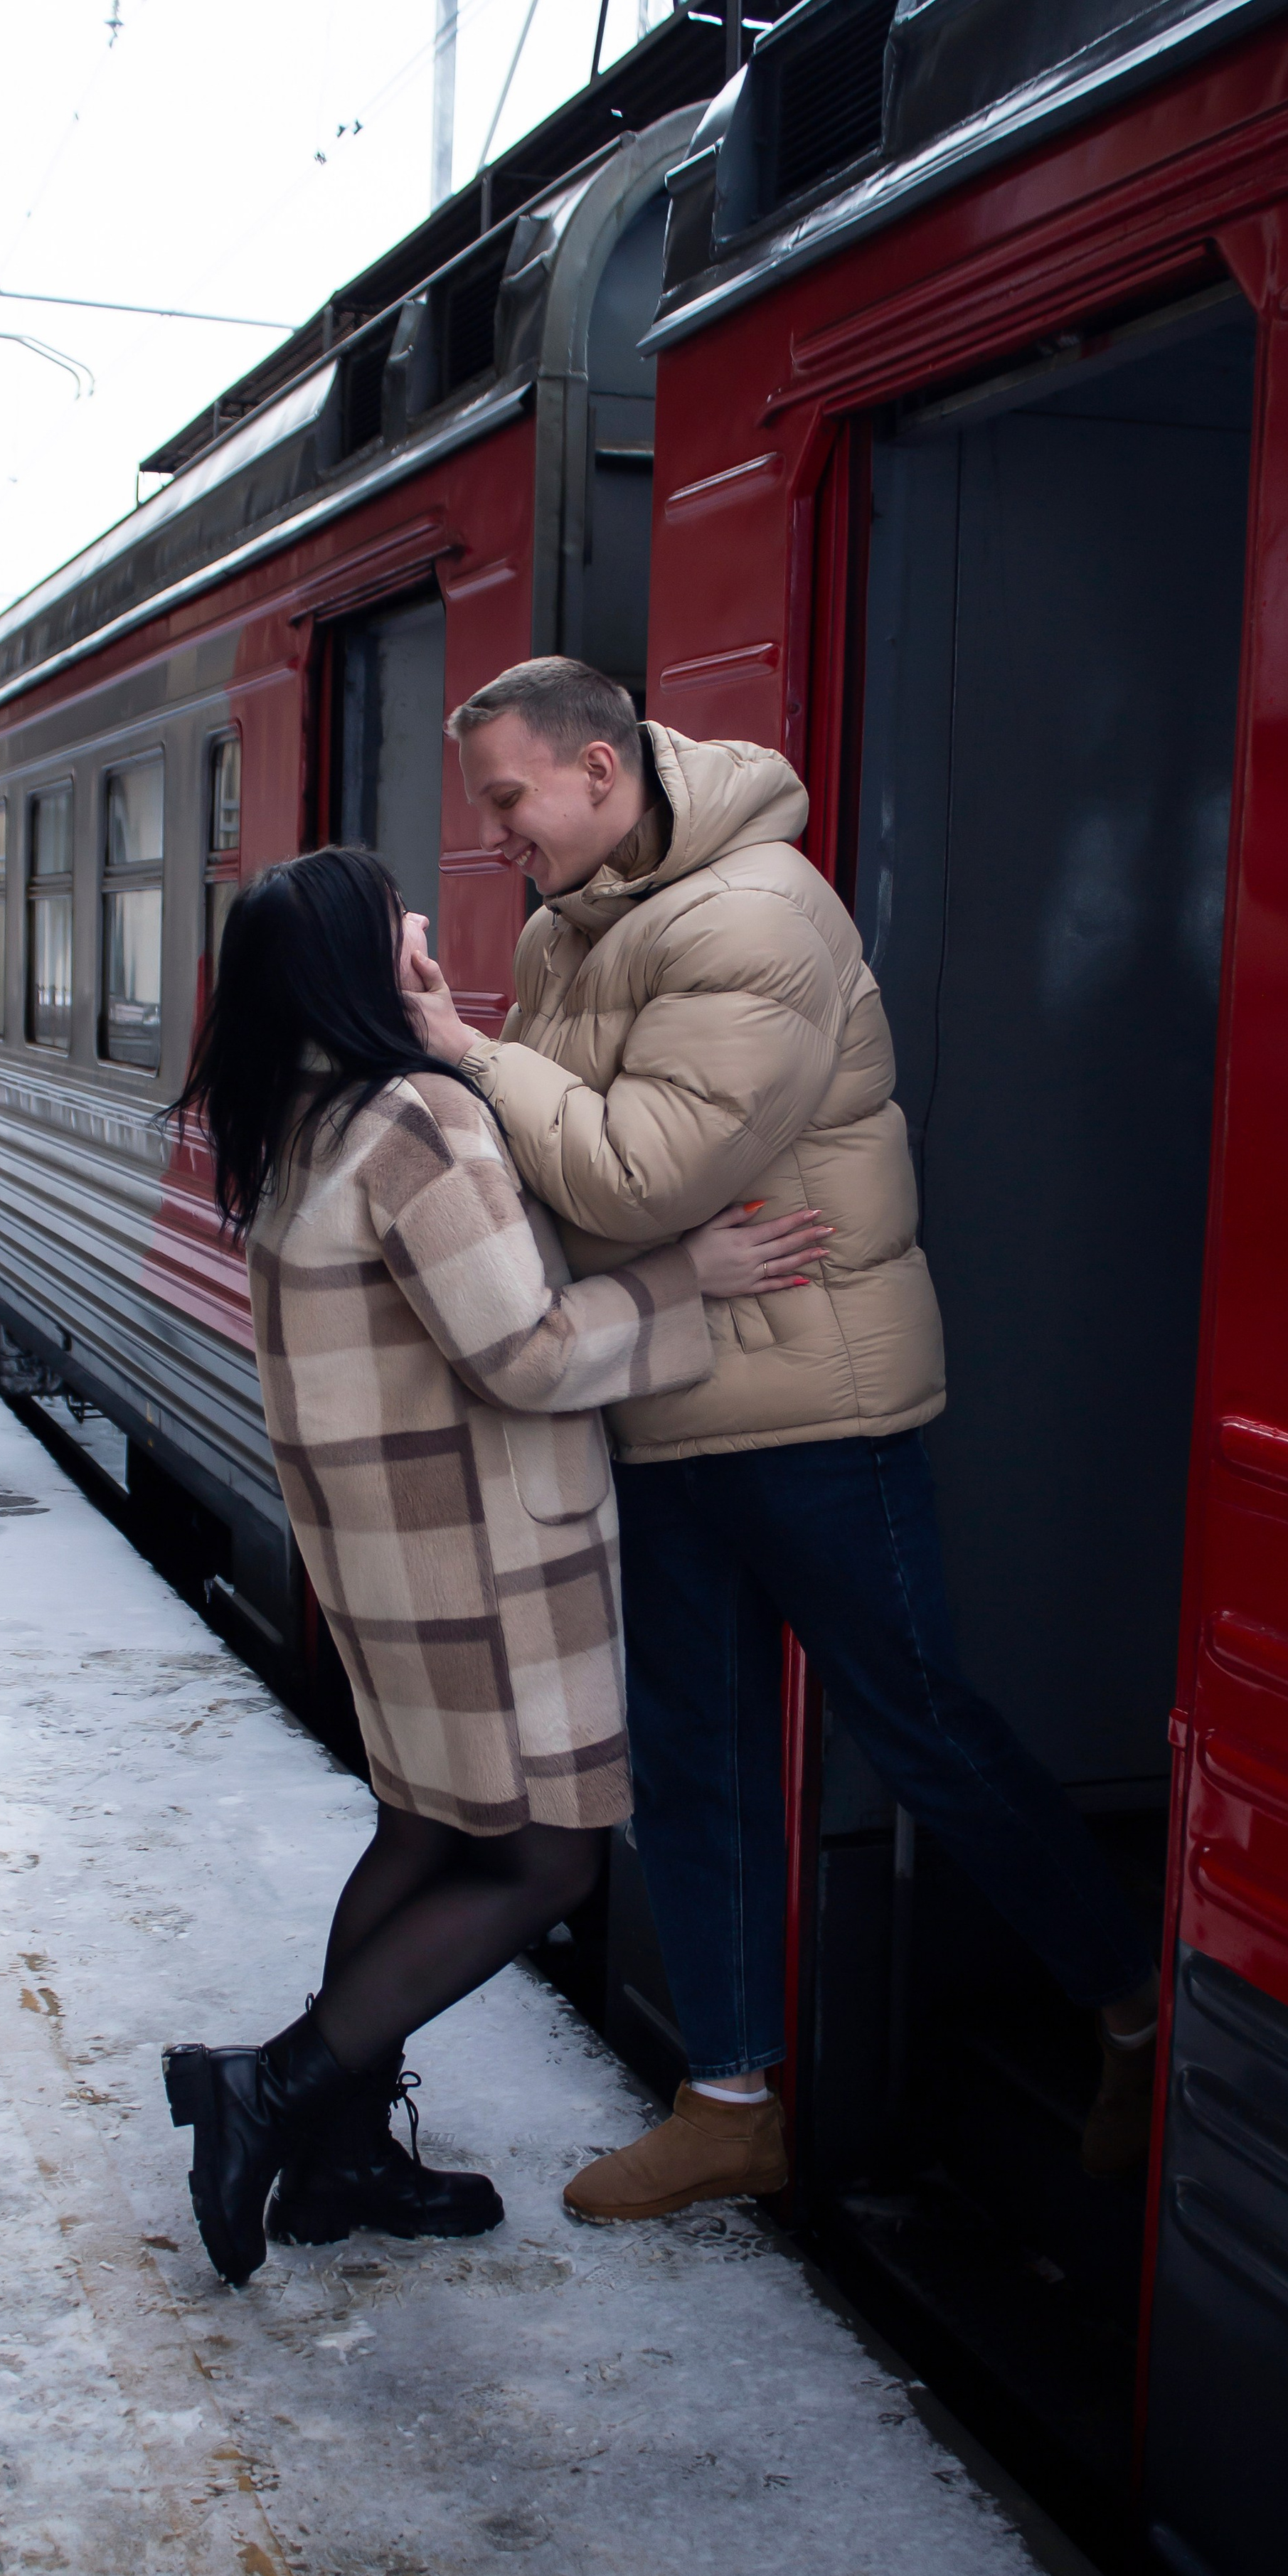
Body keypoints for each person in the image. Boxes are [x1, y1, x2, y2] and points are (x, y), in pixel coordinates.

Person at [404, 657, 1162, 2218]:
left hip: (815, 1410)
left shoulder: (756, 915)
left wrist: (472, 1054)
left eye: (507, 801)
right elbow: (554, 1173)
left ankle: (1132, 2002)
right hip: (662, 1399)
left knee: (922, 1729)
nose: (495, 842)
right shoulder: (572, 928)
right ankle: (728, 2101)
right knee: (696, 1758)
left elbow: (627, 1177)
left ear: (601, 773)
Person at [160, 844, 829, 2286]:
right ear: (359, 963)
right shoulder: (412, 1121)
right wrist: (681, 1282)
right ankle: (269, 2092)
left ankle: (339, 2159)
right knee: (543, 1863)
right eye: (400, 920)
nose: (426, 928)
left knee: (420, 1830)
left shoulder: (296, 1117)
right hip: (483, 1567)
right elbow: (522, 1353)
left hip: (388, 1568)